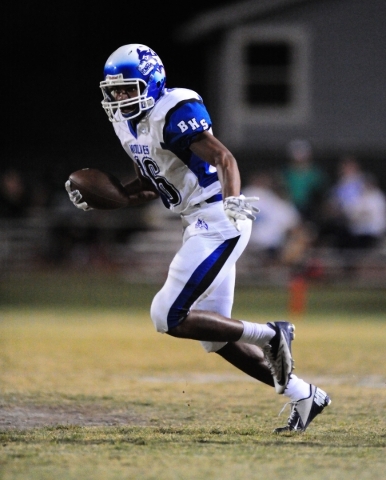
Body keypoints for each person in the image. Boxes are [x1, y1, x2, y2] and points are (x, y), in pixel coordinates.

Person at [65, 43, 330, 432]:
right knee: (215, 337)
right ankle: (304, 394)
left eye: (128, 88)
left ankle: (272, 334)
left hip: (218, 216)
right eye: (115, 91)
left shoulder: (172, 111)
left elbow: (224, 158)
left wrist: (233, 202)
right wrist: (119, 195)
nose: (120, 97)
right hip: (196, 219)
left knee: (166, 314)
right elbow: (159, 179)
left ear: (151, 82)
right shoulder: (129, 123)